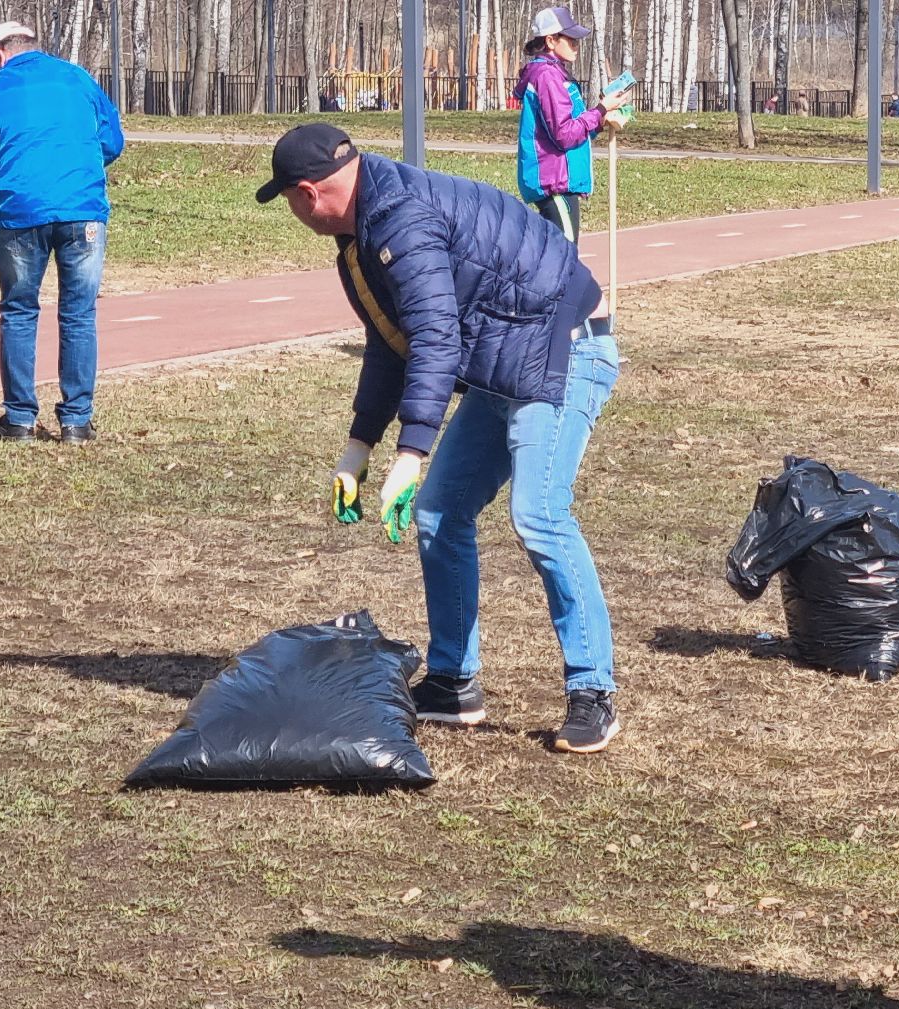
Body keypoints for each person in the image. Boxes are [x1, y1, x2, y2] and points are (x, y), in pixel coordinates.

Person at [255, 123, 626, 754]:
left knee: (538, 514)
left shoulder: (400, 221)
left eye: (288, 200)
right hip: (509, 358)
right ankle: (455, 682)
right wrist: (359, 448)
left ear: (309, 193)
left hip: (566, 351)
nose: (293, 212)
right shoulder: (365, 230)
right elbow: (389, 342)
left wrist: (411, 454)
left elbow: (434, 339)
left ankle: (594, 691)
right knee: (439, 513)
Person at [0, 20, 123, 444]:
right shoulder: (78, 78)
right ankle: (77, 421)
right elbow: (112, 142)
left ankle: (19, 419)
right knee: (79, 313)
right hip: (84, 213)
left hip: (22, 212)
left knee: (20, 311)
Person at [513, 6, 630, 242]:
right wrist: (600, 109)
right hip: (553, 181)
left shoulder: (556, 74)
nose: (576, 45)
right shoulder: (547, 76)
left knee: (556, 257)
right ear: (551, 41)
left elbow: (571, 130)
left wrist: (600, 120)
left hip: (559, 180)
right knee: (565, 257)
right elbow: (564, 134)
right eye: (571, 39)